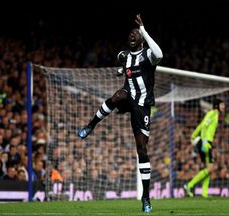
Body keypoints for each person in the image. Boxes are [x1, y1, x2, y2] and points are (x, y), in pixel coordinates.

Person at [78, 14, 163, 213]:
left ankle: (146, 197)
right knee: (117, 96)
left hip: (142, 105)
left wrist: (143, 29)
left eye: (136, 33)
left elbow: (159, 54)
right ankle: (91, 125)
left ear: (141, 38)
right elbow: (125, 67)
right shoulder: (123, 56)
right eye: (131, 33)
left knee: (142, 149)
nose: (132, 35)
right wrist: (121, 71)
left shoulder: (148, 55)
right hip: (128, 96)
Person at [184, 98, 225, 198]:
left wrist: (193, 135)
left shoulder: (214, 114)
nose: (224, 107)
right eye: (222, 105)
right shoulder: (213, 113)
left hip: (205, 142)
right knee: (211, 168)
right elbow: (204, 127)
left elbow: (201, 124)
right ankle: (189, 185)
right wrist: (205, 141)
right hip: (205, 142)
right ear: (217, 105)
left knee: (208, 168)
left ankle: (204, 192)